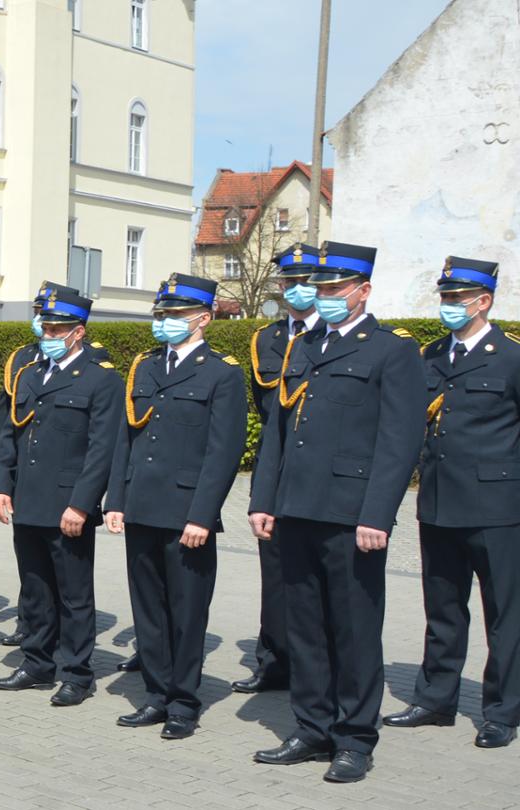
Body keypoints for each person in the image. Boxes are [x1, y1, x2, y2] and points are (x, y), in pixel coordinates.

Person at [248, 241, 423, 783]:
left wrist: (377, 515)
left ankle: (354, 739)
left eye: (331, 289)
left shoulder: (391, 351)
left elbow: (399, 442)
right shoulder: (304, 345)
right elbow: (279, 431)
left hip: (352, 516)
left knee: (353, 629)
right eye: (317, 289)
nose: (321, 297)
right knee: (304, 628)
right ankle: (312, 727)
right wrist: (263, 500)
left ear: (362, 290)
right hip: (296, 509)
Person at [104, 275, 246, 740]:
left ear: (203, 319)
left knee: (186, 613)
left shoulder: (221, 373)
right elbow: (127, 439)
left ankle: (184, 702)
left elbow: (223, 454)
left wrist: (202, 516)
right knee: (148, 609)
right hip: (142, 506)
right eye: (161, 315)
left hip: (187, 513)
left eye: (175, 316)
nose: (164, 323)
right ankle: (156, 694)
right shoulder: (145, 366)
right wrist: (117, 500)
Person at [386, 256, 520, 750]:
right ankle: (435, 699)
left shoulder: (510, 357)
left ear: (483, 302)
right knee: (442, 608)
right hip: (439, 502)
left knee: (505, 613)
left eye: (457, 299)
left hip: (498, 507)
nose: (448, 306)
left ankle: (502, 711)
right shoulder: (431, 355)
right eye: (443, 298)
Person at [0, 289, 122, 708]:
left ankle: (78, 674)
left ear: (78, 332)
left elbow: (102, 449)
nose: (49, 334)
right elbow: (10, 436)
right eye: (46, 327)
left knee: (74, 595)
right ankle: (36, 664)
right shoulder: (29, 374)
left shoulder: (102, 379)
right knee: (34, 589)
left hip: (68, 505)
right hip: (27, 500)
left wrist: (82, 504)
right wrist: (0, 487)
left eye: (58, 328)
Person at [237, 246, 322, 694]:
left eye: (305, 282)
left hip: (318, 473)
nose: (296, 290)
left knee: (315, 577)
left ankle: (315, 669)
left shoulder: (331, 334)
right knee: (274, 572)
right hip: (276, 468)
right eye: (289, 282)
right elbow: (266, 408)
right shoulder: (266, 339)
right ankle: (273, 662)